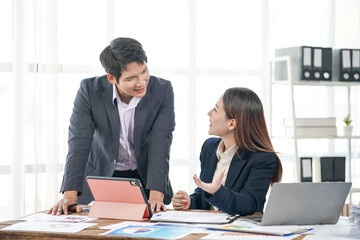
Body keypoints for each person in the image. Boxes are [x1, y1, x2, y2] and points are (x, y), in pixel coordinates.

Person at [48, 37, 175, 215]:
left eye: (144, 71)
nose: (141, 82)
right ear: (111, 78)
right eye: (131, 78)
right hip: (103, 177)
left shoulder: (162, 90)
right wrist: (70, 196)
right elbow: (79, 142)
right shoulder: (89, 91)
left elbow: (160, 143)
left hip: (146, 178)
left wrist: (156, 195)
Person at [172, 87, 282, 215]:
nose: (209, 113)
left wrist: (216, 191)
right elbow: (204, 196)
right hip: (208, 228)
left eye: (215, 110)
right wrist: (190, 201)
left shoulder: (263, 158)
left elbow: (249, 204)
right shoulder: (209, 147)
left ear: (231, 124)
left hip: (239, 231)